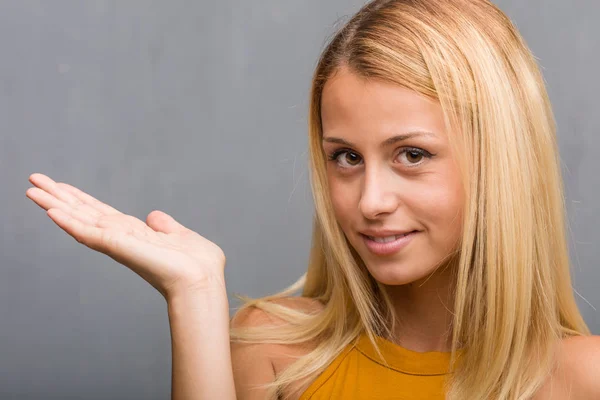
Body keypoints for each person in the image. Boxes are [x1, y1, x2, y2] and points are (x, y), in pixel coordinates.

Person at [25, 0, 599, 399]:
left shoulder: (583, 378)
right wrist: (194, 295)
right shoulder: (275, 352)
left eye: (412, 155)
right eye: (346, 157)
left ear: (501, 161)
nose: (370, 200)